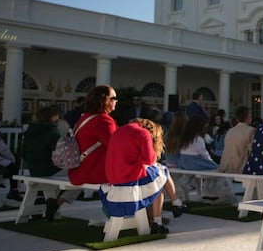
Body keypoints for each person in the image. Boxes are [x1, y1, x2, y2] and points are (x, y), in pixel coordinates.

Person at [101, 118, 187, 234]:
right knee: (162, 172)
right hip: (130, 180)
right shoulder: (142, 133)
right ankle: (175, 204)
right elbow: (149, 159)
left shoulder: (118, 132)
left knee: (159, 187)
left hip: (115, 178)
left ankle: (160, 220)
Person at [47, 85, 119, 221]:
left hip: (79, 169)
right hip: (95, 170)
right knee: (134, 177)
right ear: (104, 100)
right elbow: (115, 146)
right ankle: (126, 215)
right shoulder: (103, 121)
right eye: (113, 98)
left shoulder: (85, 117)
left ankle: (57, 203)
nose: (116, 101)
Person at [177, 114, 234, 203]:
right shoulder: (198, 139)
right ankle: (209, 190)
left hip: (184, 161)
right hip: (195, 161)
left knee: (195, 174)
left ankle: (197, 188)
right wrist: (210, 161)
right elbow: (203, 152)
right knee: (216, 169)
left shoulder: (184, 138)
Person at [22, 106, 63, 178]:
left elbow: (24, 151)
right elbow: (60, 153)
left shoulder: (31, 130)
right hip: (50, 170)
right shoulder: (52, 132)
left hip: (33, 168)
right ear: (52, 117)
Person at [218, 105, 255, 173]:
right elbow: (254, 151)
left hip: (225, 168)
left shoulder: (230, 131)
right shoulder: (251, 131)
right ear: (249, 116)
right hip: (239, 169)